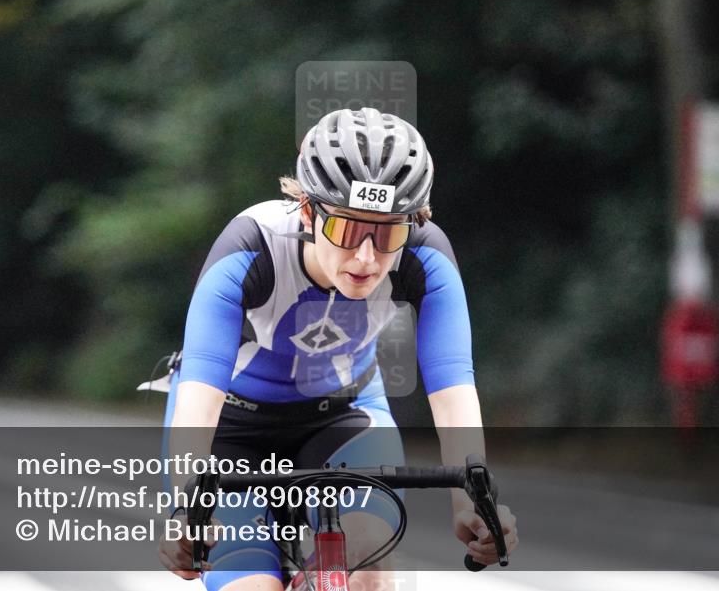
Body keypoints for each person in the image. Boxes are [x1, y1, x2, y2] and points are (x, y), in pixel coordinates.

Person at [158, 108, 517, 591]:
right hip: (231, 430)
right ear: (308, 211)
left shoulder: (426, 256)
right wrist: (187, 507)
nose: (367, 258)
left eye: (387, 233)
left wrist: (471, 504)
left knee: (368, 566)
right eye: (348, 230)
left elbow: (453, 389)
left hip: (345, 417)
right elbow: (199, 397)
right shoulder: (251, 247)